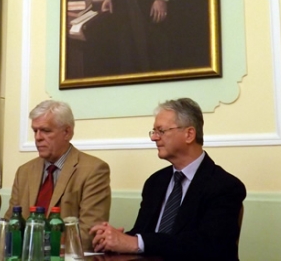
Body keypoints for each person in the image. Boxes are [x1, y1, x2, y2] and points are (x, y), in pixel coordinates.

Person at [90, 98, 246, 260]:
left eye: (161, 131)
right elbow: (143, 234)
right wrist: (113, 239)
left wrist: (135, 242)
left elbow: (209, 245)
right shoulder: (155, 182)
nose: (154, 138)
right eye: (154, 131)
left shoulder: (225, 186)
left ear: (189, 134)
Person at [5, 99, 111, 251]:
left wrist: (42, 250)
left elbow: (89, 233)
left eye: (46, 131)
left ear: (67, 132)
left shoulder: (93, 170)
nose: (38, 137)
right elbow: (10, 224)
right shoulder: (24, 171)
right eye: (35, 131)